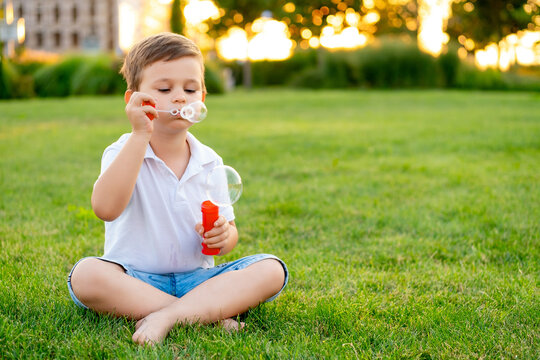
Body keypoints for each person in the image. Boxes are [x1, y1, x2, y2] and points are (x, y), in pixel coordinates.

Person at [67, 33, 288, 345]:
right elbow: (105, 209)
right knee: (85, 275)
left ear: (203, 97)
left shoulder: (210, 162)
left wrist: (224, 236)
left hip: (199, 281)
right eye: (164, 89)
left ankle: (170, 315)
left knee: (272, 270)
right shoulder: (123, 152)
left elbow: (228, 237)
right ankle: (203, 316)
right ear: (135, 99)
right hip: (135, 279)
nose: (180, 97)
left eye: (190, 88)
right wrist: (139, 135)